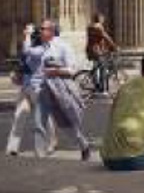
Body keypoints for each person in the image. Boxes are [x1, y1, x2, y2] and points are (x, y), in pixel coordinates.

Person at [22, 19, 92, 160]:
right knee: (38, 122)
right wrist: (27, 37)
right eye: (40, 28)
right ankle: (39, 155)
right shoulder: (38, 47)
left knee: (67, 123)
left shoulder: (62, 46)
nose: (40, 31)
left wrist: (57, 71)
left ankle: (83, 145)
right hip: (41, 88)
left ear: (52, 31)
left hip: (59, 89)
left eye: (43, 28)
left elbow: (72, 69)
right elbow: (27, 56)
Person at [85, 12, 118, 95]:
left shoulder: (90, 27)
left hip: (91, 49)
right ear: (99, 19)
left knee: (96, 67)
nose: (103, 20)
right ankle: (102, 89)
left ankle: (97, 86)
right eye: (102, 18)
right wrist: (114, 47)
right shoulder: (98, 28)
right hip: (97, 51)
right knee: (103, 67)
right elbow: (106, 37)